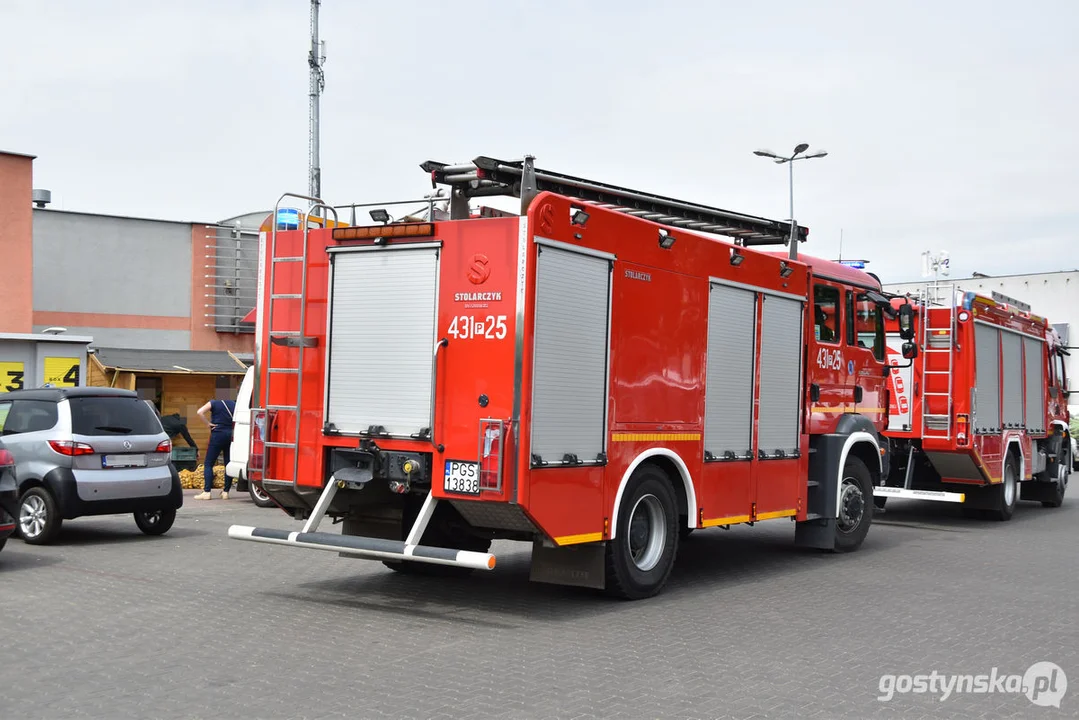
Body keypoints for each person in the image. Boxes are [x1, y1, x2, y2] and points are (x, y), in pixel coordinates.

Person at [193, 396, 236, 500]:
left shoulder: (214, 403)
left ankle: (207, 492)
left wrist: (208, 424)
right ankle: (226, 492)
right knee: (228, 464)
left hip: (217, 434)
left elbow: (199, 412)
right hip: (230, 435)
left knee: (208, 463)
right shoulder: (234, 404)